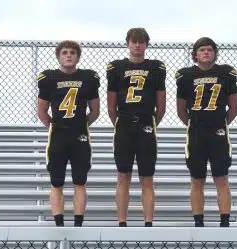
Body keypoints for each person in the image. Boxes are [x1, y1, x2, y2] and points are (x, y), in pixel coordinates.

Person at [175, 37, 237, 227]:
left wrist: (220, 123)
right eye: (202, 50)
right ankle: (198, 223)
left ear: (215, 53)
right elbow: (181, 109)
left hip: (218, 132)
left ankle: (225, 222)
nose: (206, 53)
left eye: (210, 50)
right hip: (196, 133)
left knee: (221, 178)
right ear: (195, 54)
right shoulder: (185, 76)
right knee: (197, 179)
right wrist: (196, 124)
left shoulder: (225, 73)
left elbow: (234, 106)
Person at [106, 28, 166, 227]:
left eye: (141, 42)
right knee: (123, 176)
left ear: (146, 44)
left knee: (146, 177)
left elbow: (161, 104)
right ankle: (121, 222)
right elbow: (111, 104)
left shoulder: (155, 67)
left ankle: (148, 222)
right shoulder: (117, 67)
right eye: (134, 41)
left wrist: (150, 122)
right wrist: (121, 122)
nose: (138, 45)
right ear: (128, 43)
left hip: (146, 124)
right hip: (124, 124)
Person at [37, 40, 100, 227]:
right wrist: (55, 127)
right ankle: (59, 226)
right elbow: (41, 111)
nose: (69, 55)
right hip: (58, 135)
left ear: (77, 56)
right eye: (64, 52)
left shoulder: (88, 78)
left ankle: (78, 225)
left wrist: (80, 125)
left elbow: (95, 111)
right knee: (56, 182)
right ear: (59, 56)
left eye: (72, 52)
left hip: (79, 134)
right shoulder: (49, 78)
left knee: (80, 181)